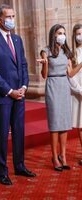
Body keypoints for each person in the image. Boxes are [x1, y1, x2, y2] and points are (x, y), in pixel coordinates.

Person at [0, 4, 36, 186]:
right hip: (3, 96)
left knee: (19, 131)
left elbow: (23, 64)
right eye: (9, 16)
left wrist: (23, 86)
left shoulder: (17, 39)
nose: (12, 19)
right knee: (2, 135)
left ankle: (20, 166)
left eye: (13, 16)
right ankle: (2, 171)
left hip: (19, 94)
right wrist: (9, 91)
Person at [38, 24, 82, 171]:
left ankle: (63, 156)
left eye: (64, 33)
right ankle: (54, 156)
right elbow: (44, 75)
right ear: (53, 35)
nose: (62, 35)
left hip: (64, 85)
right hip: (52, 84)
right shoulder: (46, 51)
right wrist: (44, 64)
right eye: (59, 33)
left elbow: (70, 73)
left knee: (64, 122)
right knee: (55, 123)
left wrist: (81, 63)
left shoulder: (66, 51)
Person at [69, 23, 82, 165]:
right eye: (78, 33)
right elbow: (70, 76)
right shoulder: (72, 53)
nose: (80, 36)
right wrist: (80, 90)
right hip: (79, 92)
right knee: (81, 124)